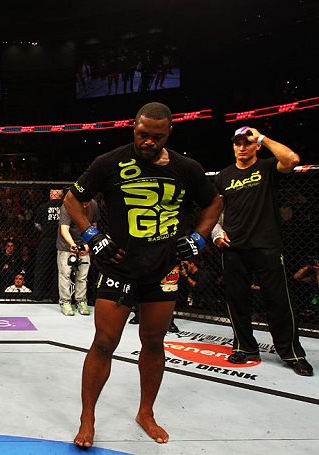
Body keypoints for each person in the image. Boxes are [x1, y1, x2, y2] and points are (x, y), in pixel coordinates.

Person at [65, 102, 222, 447]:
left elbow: (214, 202)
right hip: (118, 267)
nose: (148, 141)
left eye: (156, 136)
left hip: (163, 269)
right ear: (133, 128)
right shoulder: (109, 162)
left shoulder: (186, 167)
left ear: (168, 133)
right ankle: (87, 418)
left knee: (153, 342)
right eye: (142, 134)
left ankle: (145, 413)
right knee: (104, 342)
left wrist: (200, 235)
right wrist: (91, 235)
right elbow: (72, 199)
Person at [212, 126, 312, 376]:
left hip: (267, 244)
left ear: (256, 145)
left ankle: (292, 352)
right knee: (237, 300)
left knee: (278, 300)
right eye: (238, 143)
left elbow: (291, 160)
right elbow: (214, 210)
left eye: (247, 142)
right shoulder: (223, 175)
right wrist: (216, 233)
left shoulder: (267, 167)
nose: (242, 147)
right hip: (233, 246)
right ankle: (245, 347)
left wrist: (263, 138)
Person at [57, 199, 99, 316]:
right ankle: (65, 302)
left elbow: (94, 226)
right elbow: (64, 229)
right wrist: (72, 245)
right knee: (65, 274)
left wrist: (88, 245)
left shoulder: (94, 205)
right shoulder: (68, 205)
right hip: (66, 244)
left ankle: (81, 301)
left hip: (85, 242)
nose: (85, 205)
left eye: (87, 203)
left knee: (83, 275)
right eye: (83, 203)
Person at [32, 188, 63, 302]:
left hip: (47, 239)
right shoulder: (65, 207)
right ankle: (56, 296)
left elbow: (37, 224)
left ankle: (38, 295)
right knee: (58, 268)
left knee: (41, 267)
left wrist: (45, 230)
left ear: (51, 194)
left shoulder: (44, 207)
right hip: (61, 240)